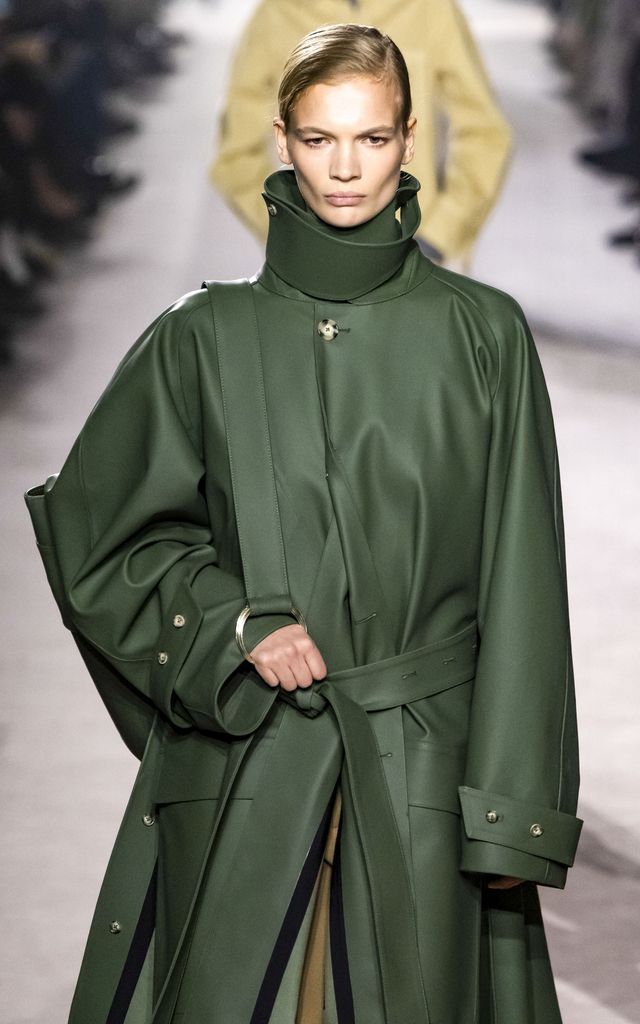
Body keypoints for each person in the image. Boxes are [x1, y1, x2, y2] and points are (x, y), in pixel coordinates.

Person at [27, 23, 582, 1024]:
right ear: (280, 137)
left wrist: (513, 810)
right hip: (249, 760)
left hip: (423, 762)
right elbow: (102, 537)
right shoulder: (201, 335)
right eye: (321, 139)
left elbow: (523, 579)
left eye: (370, 139)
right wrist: (233, 624)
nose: (344, 168)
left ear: (409, 139)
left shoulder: (481, 335)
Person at [210, 0, 512, 264]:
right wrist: (286, 231)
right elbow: (237, 151)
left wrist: (438, 235)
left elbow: (485, 132)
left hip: (411, 254)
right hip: (314, 265)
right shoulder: (277, 15)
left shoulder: (430, 9)